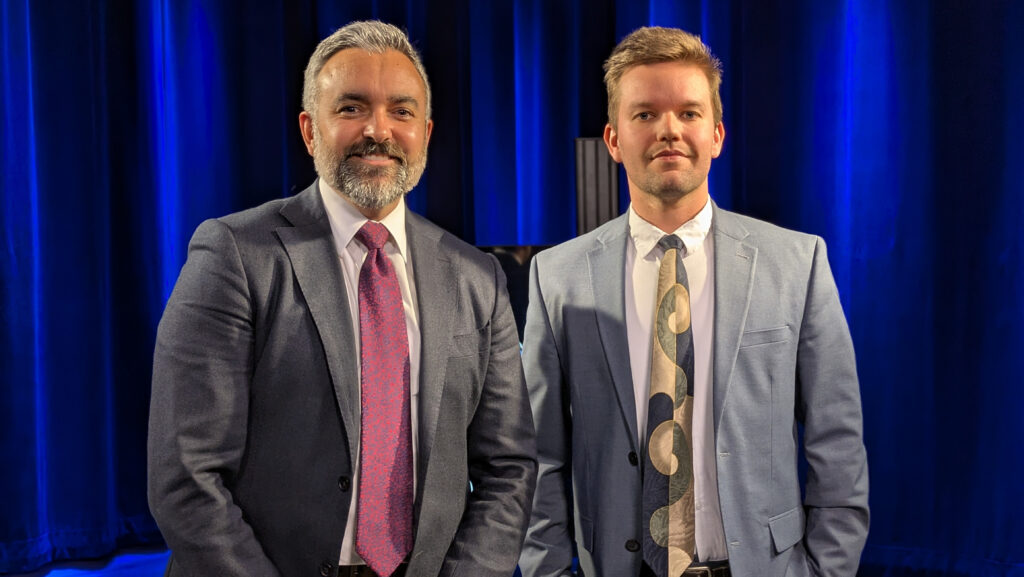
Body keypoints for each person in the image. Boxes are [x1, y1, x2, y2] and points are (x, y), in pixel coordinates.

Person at [148, 20, 536, 577]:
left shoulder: (477, 277)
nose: (378, 130)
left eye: (401, 112)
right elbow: (185, 475)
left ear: (426, 132)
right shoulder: (234, 254)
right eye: (351, 108)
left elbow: (509, 468)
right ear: (310, 130)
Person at [519, 26, 868, 577]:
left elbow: (837, 441)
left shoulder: (798, 264)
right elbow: (540, 459)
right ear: (613, 140)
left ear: (717, 134)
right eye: (645, 114)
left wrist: (827, 569)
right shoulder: (556, 277)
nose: (669, 131)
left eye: (688, 113)